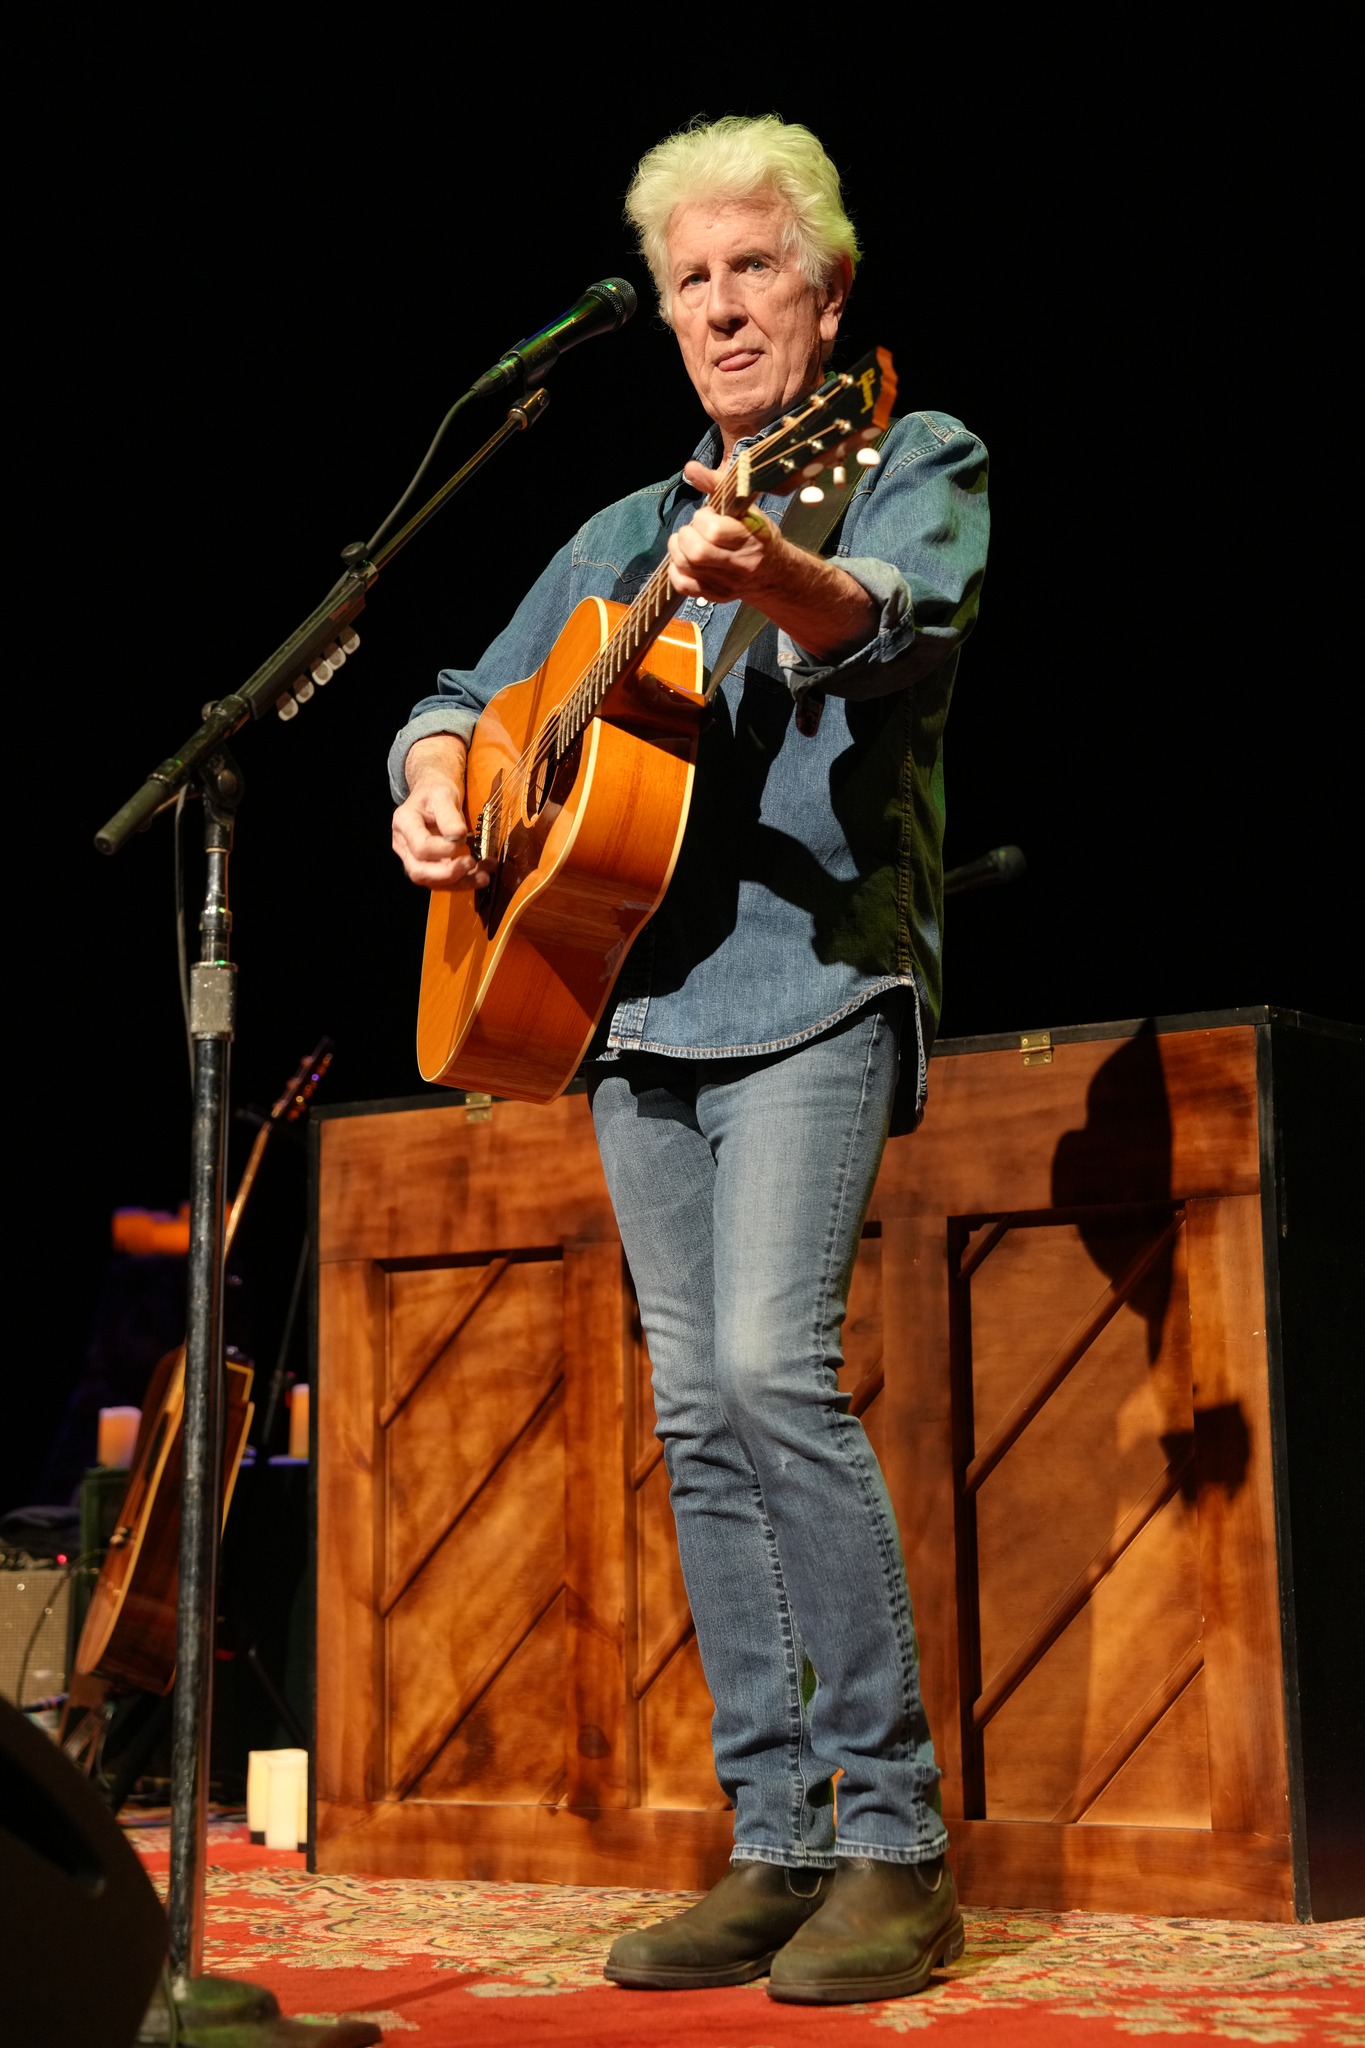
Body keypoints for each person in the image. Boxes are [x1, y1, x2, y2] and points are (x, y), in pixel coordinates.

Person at [390, 114, 989, 2007]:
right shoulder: (618, 533)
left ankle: (892, 1841)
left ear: (825, 293)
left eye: (753, 271)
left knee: (764, 1373)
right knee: (691, 1420)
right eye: (690, 285)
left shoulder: (904, 458)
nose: (723, 309)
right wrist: (431, 787)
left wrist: (782, 582)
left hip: (812, 980)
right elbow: (455, 698)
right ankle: (774, 1840)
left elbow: (899, 623)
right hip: (622, 1007)